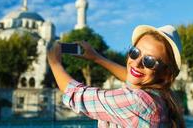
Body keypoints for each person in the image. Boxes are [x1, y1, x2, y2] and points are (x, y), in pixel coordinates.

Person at [47, 25, 185, 128]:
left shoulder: (137, 102)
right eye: (135, 52)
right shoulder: (162, 96)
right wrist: (96, 57)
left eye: (149, 61)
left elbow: (77, 95)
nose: (136, 63)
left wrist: (54, 62)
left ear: (165, 73)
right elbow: (132, 76)